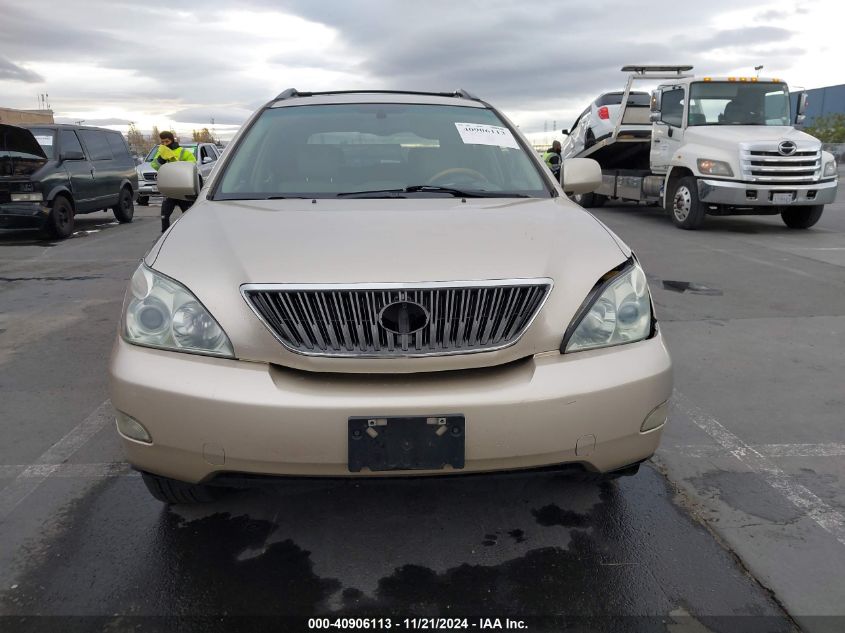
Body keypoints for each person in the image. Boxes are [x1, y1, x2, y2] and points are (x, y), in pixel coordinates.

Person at [151, 131, 196, 232]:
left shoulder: (183, 152)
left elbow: (192, 165)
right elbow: (154, 165)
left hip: (182, 188)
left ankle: (191, 232)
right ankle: (164, 234)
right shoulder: (160, 152)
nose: (165, 144)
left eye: (167, 141)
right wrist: (161, 159)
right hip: (169, 188)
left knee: (188, 213)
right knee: (164, 215)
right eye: (162, 142)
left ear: (172, 140)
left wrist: (179, 164)